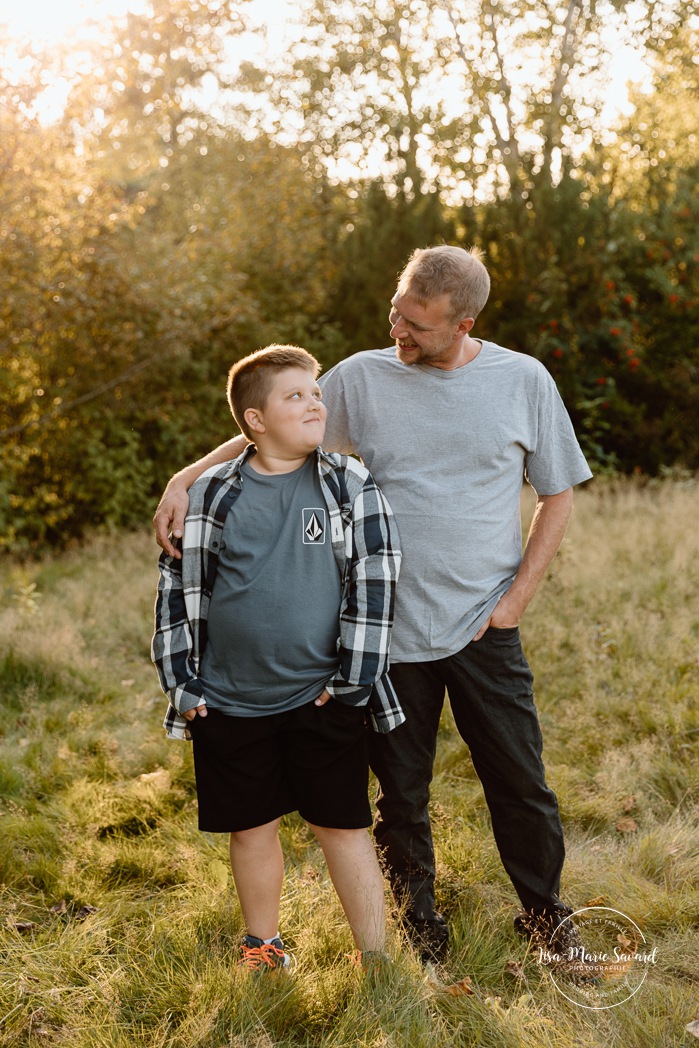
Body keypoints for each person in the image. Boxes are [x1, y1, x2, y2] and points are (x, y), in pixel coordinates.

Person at [154, 247, 593, 965]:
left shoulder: (521, 381)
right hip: (381, 634)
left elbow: (558, 492)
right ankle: (417, 920)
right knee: (400, 795)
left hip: (484, 624)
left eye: (416, 323)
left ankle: (545, 915)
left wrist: (514, 602)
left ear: (463, 322)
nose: (398, 328)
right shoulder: (361, 376)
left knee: (519, 782)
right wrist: (187, 475)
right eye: (396, 310)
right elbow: (272, 425)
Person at [152, 344, 402, 972]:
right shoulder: (212, 495)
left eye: (316, 393)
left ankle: (376, 956)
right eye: (295, 396)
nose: (315, 402)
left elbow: (376, 582)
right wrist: (184, 686)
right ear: (255, 420)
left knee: (342, 825)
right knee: (250, 826)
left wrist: (351, 684)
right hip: (229, 699)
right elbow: (176, 595)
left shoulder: (347, 483)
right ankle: (262, 946)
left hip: (322, 693)